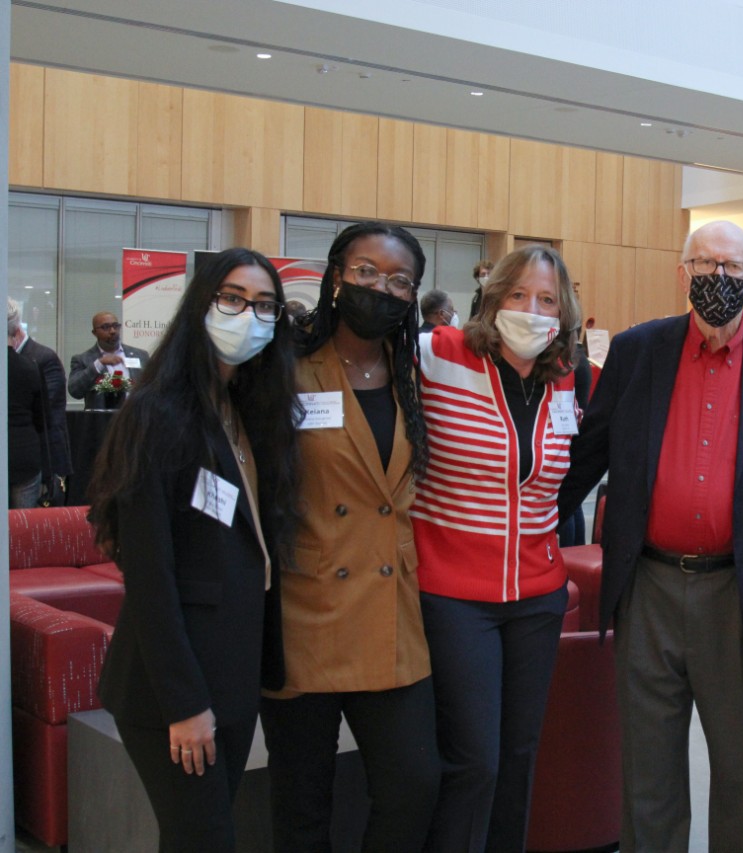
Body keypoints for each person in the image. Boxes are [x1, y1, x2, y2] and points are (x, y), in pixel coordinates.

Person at [558, 220, 743, 852]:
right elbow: (587, 454)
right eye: (705, 264)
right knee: (647, 770)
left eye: (733, 268)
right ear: (683, 274)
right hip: (646, 586)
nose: (718, 278)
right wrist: (526, 520)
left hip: (740, 593)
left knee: (737, 770)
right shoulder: (636, 351)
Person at [90, 248, 301, 852]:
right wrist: (185, 705)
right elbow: (151, 577)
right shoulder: (156, 414)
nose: (248, 316)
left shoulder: (243, 412)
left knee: (200, 836)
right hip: (172, 688)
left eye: (265, 305)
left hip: (232, 674)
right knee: (203, 839)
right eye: (232, 298)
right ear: (200, 305)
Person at [259, 222, 438, 852]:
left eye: (399, 281)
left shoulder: (416, 373)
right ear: (336, 275)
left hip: (394, 616)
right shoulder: (280, 366)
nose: (380, 289)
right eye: (366, 272)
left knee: (414, 785)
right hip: (305, 609)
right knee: (302, 803)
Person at [414, 245, 581, 852]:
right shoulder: (436, 355)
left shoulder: (565, 377)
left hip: (536, 597)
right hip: (454, 595)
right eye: (518, 295)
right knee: (474, 760)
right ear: (491, 297)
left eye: (546, 300)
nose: (531, 310)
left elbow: (575, 473)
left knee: (518, 757)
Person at [9, 299, 72, 505]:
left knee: (29, 525)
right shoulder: (26, 363)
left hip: (40, 456)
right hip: (26, 454)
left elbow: (48, 414)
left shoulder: (43, 358)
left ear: (17, 332)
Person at [68, 311, 150, 409]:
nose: (112, 331)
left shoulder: (140, 355)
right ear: (94, 333)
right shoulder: (82, 359)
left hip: (136, 417)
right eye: (106, 327)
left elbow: (152, 387)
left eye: (115, 326)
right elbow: (75, 391)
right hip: (102, 421)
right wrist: (99, 363)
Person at [8, 326, 46, 509]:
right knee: (24, 525)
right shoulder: (30, 367)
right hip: (25, 452)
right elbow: (43, 417)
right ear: (16, 333)